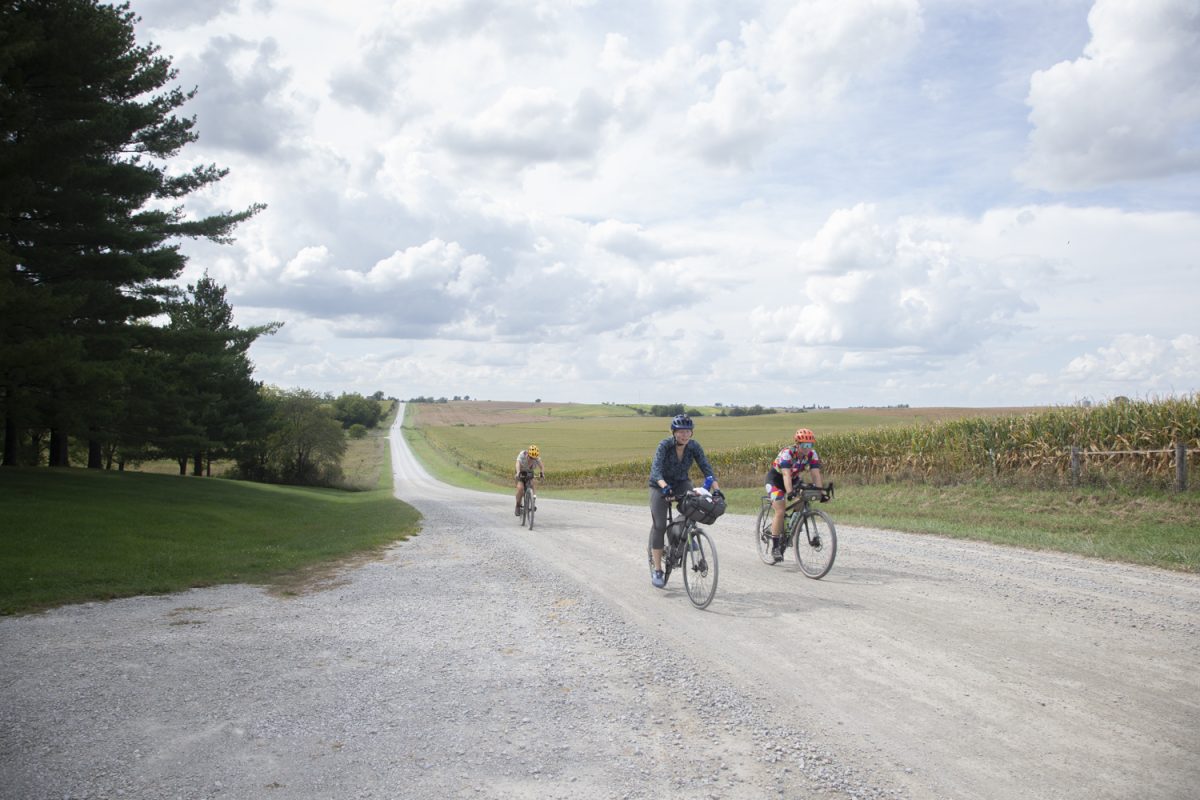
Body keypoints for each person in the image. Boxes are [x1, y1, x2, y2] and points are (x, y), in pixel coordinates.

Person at [648, 414, 719, 588]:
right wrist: (665, 487)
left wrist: (717, 489)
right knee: (659, 525)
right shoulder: (664, 445)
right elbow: (656, 471)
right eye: (680, 431)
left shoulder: (694, 447)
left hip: (681, 482)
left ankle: (684, 533)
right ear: (673, 432)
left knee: (695, 504)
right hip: (659, 485)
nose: (684, 435)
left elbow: (706, 468)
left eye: (687, 431)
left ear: (691, 433)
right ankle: (658, 569)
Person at [765, 427, 825, 562]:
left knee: (804, 497)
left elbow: (815, 474)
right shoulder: (787, 453)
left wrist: (821, 492)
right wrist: (790, 492)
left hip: (794, 479)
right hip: (776, 480)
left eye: (810, 445)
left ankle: (790, 525)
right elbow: (786, 474)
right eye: (804, 445)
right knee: (780, 510)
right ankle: (775, 548)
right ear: (797, 444)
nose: (807, 448)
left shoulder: (812, 454)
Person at [514, 444, 544, 516]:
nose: (532, 459)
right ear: (528, 455)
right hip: (521, 471)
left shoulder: (536, 458)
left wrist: (542, 473)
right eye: (531, 458)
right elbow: (517, 463)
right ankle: (518, 506)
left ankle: (533, 502)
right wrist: (518, 472)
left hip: (529, 472)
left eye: (534, 458)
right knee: (520, 488)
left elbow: (541, 467)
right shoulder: (522, 454)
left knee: (532, 483)